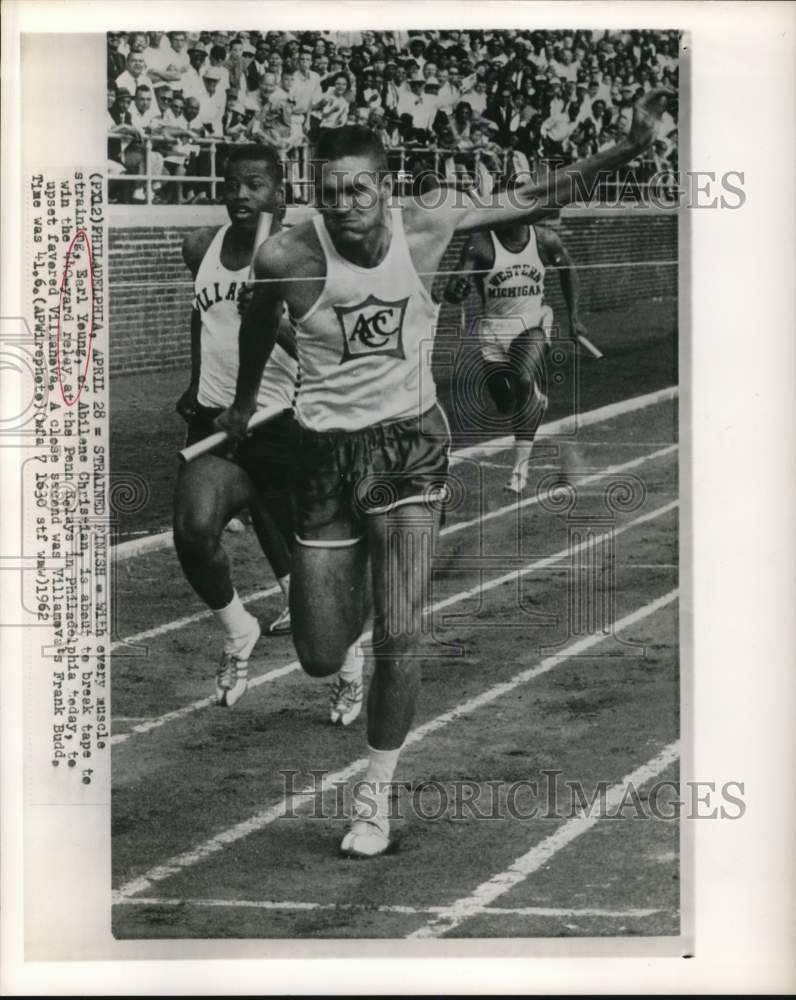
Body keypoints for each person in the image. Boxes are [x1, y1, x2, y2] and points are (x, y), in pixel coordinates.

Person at [217, 89, 673, 857]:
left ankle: (374, 793)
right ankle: (346, 639)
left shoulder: (425, 228)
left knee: (404, 628)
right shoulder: (284, 259)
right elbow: (258, 332)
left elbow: (532, 194)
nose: (345, 205)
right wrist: (238, 407)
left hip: (409, 451)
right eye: (329, 192)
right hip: (326, 457)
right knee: (321, 652)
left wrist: (625, 151)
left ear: (387, 187)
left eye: (359, 188)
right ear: (313, 192)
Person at [174, 145, 298, 708]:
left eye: (255, 185)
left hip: (286, 423)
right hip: (220, 422)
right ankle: (239, 629)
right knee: (194, 532)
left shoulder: (298, 255)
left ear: (281, 191)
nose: (241, 195)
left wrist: (271, 316)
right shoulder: (200, 246)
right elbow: (204, 317)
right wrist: (197, 389)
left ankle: (347, 666)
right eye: (232, 184)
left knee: (312, 592)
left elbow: (331, 351)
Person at [444, 183, 587, 493]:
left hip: (532, 322)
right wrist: (455, 289)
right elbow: (456, 284)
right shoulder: (481, 243)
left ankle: (520, 470)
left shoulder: (546, 240)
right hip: (493, 329)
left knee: (521, 378)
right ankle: (532, 398)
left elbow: (568, 270)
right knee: (507, 401)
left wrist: (573, 317)